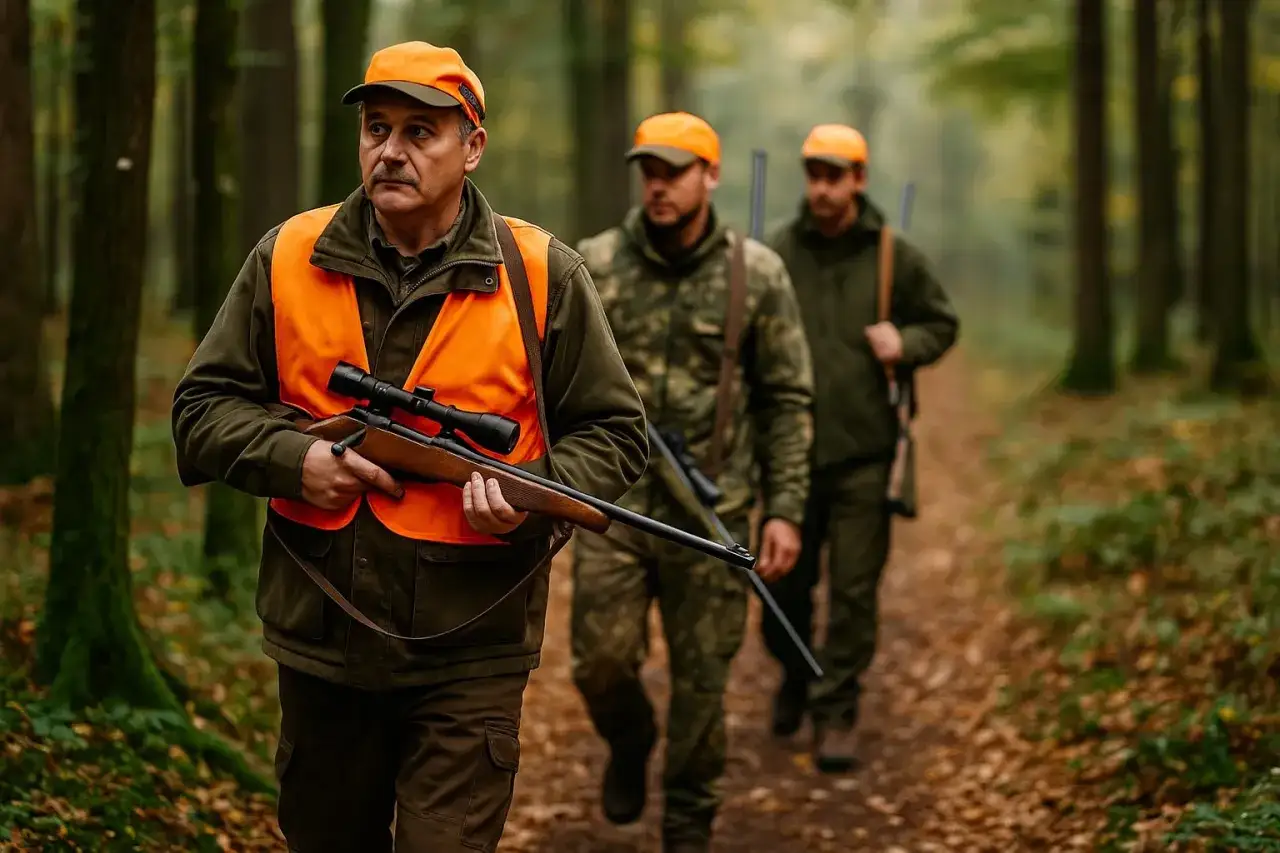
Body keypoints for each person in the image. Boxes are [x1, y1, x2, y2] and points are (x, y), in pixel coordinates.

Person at [170, 41, 648, 853]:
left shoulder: (541, 274)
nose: (390, 151)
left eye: (420, 132)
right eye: (377, 128)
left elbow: (615, 434)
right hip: (322, 641)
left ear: (472, 146)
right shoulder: (286, 255)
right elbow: (200, 409)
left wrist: (526, 498)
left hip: (471, 649)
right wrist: (297, 458)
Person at [571, 111, 815, 853]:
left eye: (675, 170)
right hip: (612, 506)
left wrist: (786, 511)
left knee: (703, 689)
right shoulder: (594, 263)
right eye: (649, 168)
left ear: (710, 175)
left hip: (716, 515)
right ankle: (630, 738)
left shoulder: (758, 273)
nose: (658, 183)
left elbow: (788, 399)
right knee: (600, 662)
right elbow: (555, 382)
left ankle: (686, 830)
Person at [762, 123, 959, 772]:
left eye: (835, 175)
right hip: (788, 456)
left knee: (853, 592)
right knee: (782, 591)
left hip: (865, 454)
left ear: (859, 179)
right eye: (814, 174)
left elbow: (941, 322)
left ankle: (837, 709)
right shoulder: (777, 251)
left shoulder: (893, 256)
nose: (822, 187)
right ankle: (796, 672)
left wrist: (906, 343)